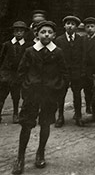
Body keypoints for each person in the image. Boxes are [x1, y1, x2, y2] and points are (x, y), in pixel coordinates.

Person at [11, 20, 67, 175]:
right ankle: (20, 158)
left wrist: (58, 88)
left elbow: (64, 73)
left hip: (49, 94)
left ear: (54, 35)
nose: (46, 34)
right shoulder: (30, 51)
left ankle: (40, 152)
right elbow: (21, 72)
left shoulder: (58, 52)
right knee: (26, 124)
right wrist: (27, 89)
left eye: (49, 32)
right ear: (37, 34)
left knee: (45, 124)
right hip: (33, 94)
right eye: (43, 32)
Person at [54, 15, 85, 127]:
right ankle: (60, 117)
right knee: (61, 94)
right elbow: (56, 58)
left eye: (73, 24)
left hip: (76, 72)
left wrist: (82, 71)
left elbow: (83, 56)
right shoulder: (59, 40)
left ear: (76, 27)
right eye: (68, 24)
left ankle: (78, 116)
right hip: (63, 72)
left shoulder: (80, 40)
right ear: (64, 26)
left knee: (77, 94)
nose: (70, 26)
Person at [0, 21, 30, 124]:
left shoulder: (27, 46)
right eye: (16, 31)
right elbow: (1, 58)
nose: (18, 33)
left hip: (18, 75)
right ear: (13, 32)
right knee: (2, 95)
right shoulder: (7, 45)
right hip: (6, 74)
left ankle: (16, 114)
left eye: (21, 31)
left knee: (16, 96)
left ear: (24, 33)